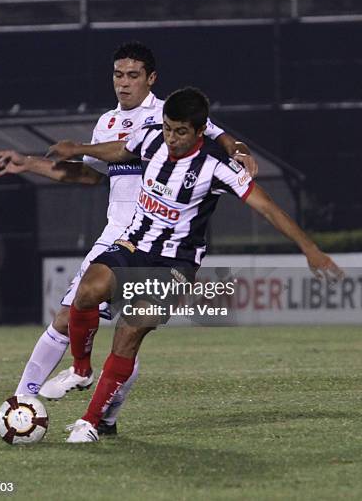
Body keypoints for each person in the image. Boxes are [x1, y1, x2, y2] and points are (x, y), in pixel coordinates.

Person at [0, 42, 258, 439]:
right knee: (71, 318)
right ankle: (28, 406)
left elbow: (222, 136)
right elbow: (89, 176)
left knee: (125, 329)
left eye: (132, 75)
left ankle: (91, 415)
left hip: (155, 244)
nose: (123, 84)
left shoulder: (170, 117)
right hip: (116, 238)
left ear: (151, 78)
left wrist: (242, 152)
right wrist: (30, 163)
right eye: (117, 75)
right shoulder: (107, 122)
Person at [46, 86, 343, 443]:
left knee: (130, 328)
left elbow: (267, 207)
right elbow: (121, 149)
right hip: (134, 243)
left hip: (175, 264)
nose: (172, 138)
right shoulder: (152, 137)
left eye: (181, 131)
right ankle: (81, 370)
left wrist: (311, 249)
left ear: (200, 131)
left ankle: (90, 422)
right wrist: (77, 149)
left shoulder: (216, 167)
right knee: (86, 292)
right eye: (169, 128)